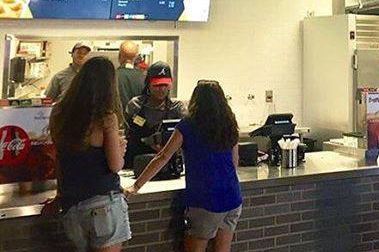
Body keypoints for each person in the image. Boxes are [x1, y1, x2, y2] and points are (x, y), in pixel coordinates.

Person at [126, 81, 242, 252]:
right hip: (232, 197)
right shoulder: (229, 124)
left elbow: (163, 156)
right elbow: (234, 161)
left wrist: (136, 185)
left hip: (205, 199)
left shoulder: (189, 125)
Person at [49, 56, 130, 251]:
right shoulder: (106, 117)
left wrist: (59, 195)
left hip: (72, 208)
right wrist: (120, 147)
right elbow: (115, 165)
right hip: (103, 205)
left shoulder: (60, 113)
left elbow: (59, 160)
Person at [124, 61, 185, 167]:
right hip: (136, 163)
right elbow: (125, 135)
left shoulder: (177, 108)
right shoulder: (135, 105)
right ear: (148, 84)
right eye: (156, 85)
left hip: (167, 164)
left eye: (165, 85)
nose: (161, 89)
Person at [116, 41, 146, 113]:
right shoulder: (144, 78)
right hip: (138, 122)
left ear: (119, 56)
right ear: (136, 57)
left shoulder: (111, 77)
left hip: (118, 121)